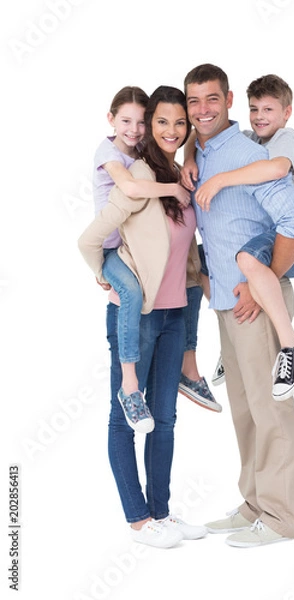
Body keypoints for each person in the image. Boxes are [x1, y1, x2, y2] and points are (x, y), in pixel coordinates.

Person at [184, 63, 294, 547]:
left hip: (255, 303)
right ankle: (255, 503)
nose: (202, 110)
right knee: (244, 409)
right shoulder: (201, 154)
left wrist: (266, 282)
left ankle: (280, 519)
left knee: (270, 409)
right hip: (224, 303)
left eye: (211, 99)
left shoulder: (245, 154)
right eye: (194, 101)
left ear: (229, 99)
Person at [78, 85, 207, 548]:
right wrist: (103, 273)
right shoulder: (136, 172)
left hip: (174, 313)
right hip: (139, 315)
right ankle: (138, 520)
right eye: (162, 122)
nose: (171, 131)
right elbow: (92, 237)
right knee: (123, 417)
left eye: (180, 123)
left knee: (165, 419)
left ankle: (161, 513)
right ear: (147, 126)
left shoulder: (178, 172)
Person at [182, 74, 294, 400]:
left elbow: (274, 170)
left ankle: (292, 345)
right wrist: (189, 157)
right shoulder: (252, 140)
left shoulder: (287, 139)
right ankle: (229, 344)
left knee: (245, 258)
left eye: (269, 110)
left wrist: (219, 180)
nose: (260, 117)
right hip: (276, 235)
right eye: (255, 109)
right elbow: (198, 133)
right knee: (199, 261)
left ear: (287, 113)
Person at [89, 85, 195, 432]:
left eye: (140, 123)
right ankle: (130, 385)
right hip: (109, 250)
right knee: (132, 294)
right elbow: (132, 190)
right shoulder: (110, 153)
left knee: (192, 279)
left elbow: (183, 139)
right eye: (126, 121)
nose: (134, 130)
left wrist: (188, 159)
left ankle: (189, 366)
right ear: (111, 119)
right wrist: (99, 269)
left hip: (130, 257)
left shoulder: (141, 159)